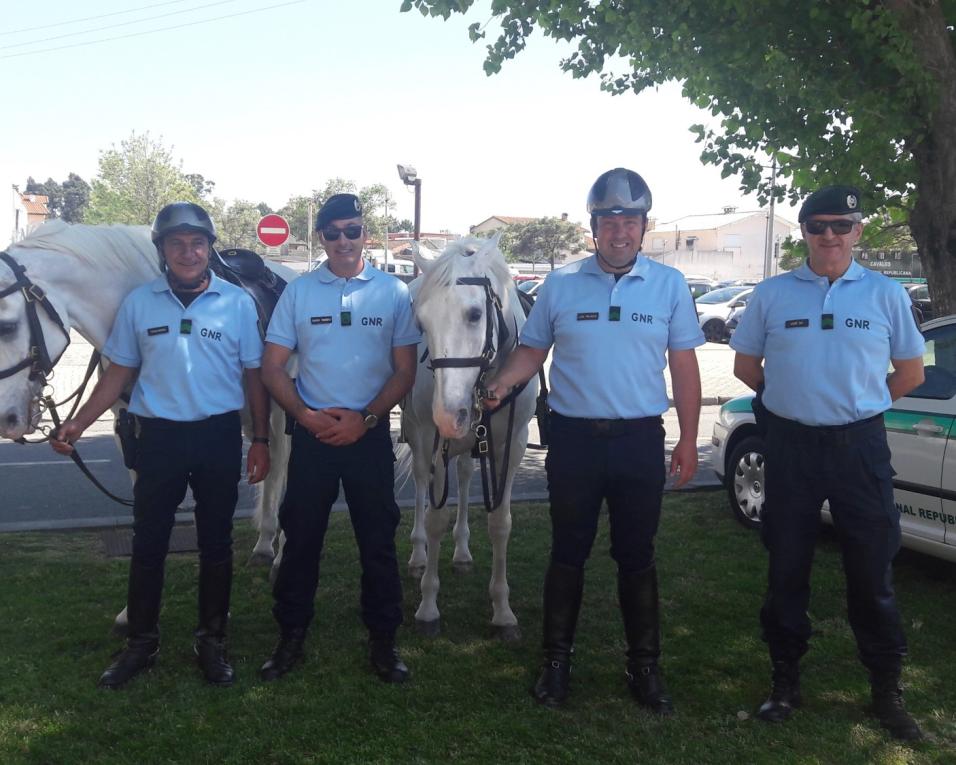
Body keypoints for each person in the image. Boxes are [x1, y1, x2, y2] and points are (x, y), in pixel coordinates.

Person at [483, 168, 704, 712]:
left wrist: (689, 440)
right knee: (568, 554)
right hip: (575, 442)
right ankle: (556, 664)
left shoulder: (669, 285)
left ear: (644, 227)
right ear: (594, 227)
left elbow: (685, 368)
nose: (619, 231)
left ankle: (645, 667)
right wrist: (499, 384)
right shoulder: (560, 284)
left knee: (638, 556)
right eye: (609, 221)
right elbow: (533, 351)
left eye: (630, 220)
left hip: (639, 443)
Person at [730, 185, 926, 741]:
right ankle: (785, 681)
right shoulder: (771, 294)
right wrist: (794, 399)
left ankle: (886, 690)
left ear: (859, 232)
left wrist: (856, 406)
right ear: (805, 234)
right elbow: (746, 366)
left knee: (872, 572)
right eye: (819, 226)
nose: (830, 236)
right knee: (786, 568)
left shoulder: (887, 294)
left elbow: (910, 374)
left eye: (842, 225)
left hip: (859, 448)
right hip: (790, 448)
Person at [52, 201, 272, 689]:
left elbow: (254, 376)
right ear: (162, 250)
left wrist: (259, 438)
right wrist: (76, 422)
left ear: (209, 250)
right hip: (159, 437)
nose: (188, 252)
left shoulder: (236, 303)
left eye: (197, 243)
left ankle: (212, 641)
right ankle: (141, 643)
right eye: (177, 243)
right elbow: (118, 376)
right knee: (149, 544)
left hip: (217, 434)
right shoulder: (140, 302)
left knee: (216, 544)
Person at [257, 193, 419, 684]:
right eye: (334, 233)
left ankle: (384, 640)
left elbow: (405, 370)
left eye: (353, 230)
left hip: (368, 437)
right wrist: (305, 417)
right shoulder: (300, 292)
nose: (344, 241)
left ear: (364, 233)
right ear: (321, 238)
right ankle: (291, 636)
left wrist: (366, 418)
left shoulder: (393, 292)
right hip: (313, 437)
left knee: (378, 542)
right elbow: (272, 368)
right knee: (301, 539)